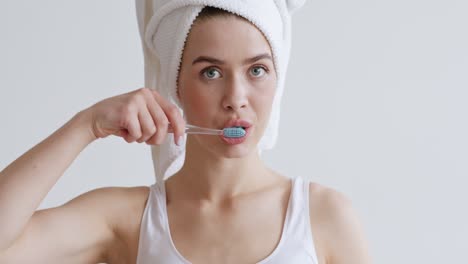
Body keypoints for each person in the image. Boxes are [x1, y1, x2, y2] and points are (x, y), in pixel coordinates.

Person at [0, 3, 371, 264]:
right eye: (211, 72)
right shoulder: (127, 219)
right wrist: (88, 124)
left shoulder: (323, 215)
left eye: (257, 70)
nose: (236, 99)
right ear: (174, 84)